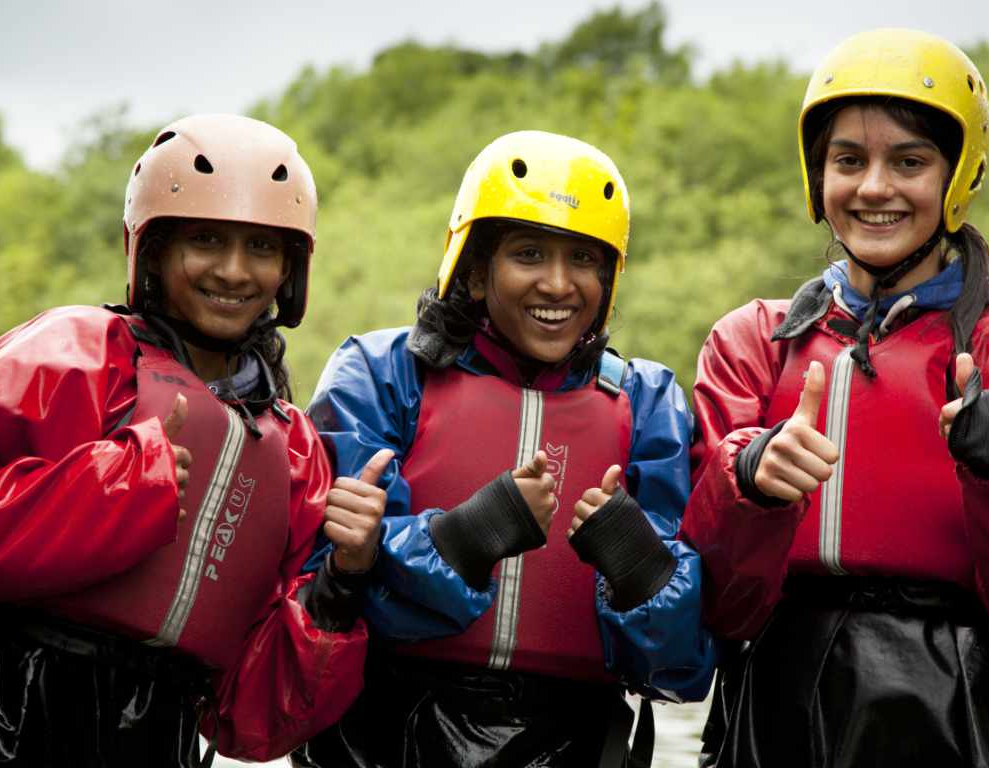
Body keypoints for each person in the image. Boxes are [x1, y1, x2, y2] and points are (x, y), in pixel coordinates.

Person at [680, 28, 989, 767]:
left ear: (956, 176)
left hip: (974, 714)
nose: (874, 187)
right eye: (848, 160)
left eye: (908, 161)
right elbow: (715, 612)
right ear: (818, 176)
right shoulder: (751, 343)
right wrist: (748, 485)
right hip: (781, 713)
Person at [0, 114, 384, 767]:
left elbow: (253, 723)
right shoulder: (73, 357)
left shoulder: (295, 451)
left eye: (261, 247)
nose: (232, 270)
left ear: (290, 268)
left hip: (159, 737)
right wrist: (111, 489)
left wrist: (341, 580)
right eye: (205, 240)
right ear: (154, 251)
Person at [292, 130, 721, 768]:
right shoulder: (379, 374)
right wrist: (469, 535)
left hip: (578, 738)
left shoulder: (650, 401)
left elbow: (680, 670)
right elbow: (328, 593)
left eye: (584, 259)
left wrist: (640, 568)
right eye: (528, 254)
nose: (558, 284)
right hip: (385, 732)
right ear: (472, 268)